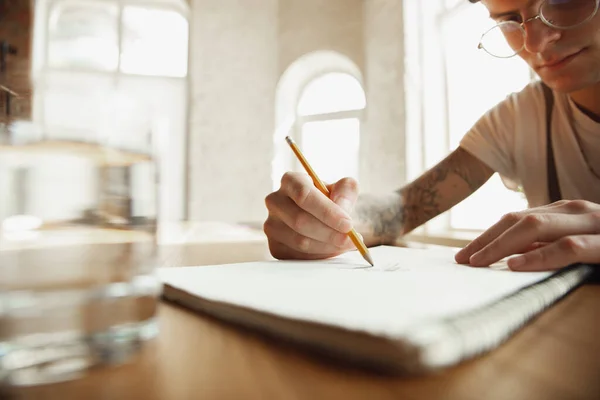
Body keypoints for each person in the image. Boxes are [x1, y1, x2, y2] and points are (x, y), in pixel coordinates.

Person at [263, 0, 600, 271]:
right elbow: (405, 208)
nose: (535, 42)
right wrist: (331, 221)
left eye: (564, 1)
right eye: (510, 19)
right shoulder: (518, 118)